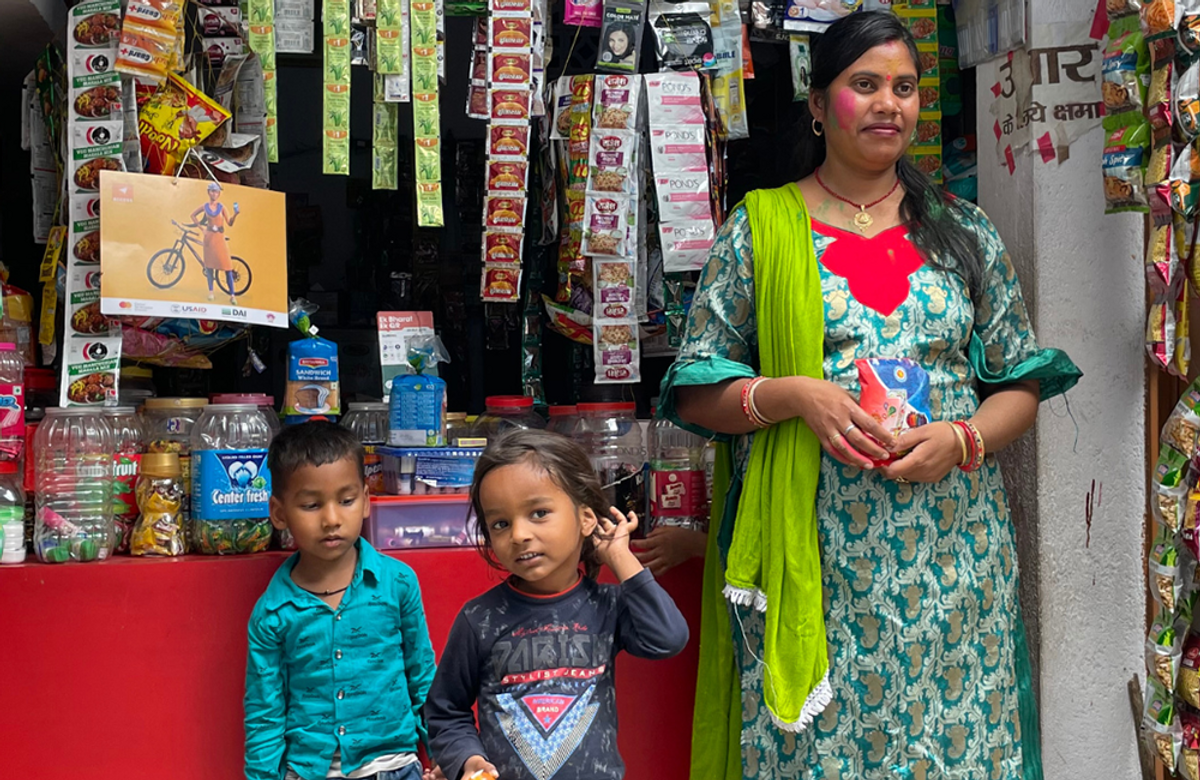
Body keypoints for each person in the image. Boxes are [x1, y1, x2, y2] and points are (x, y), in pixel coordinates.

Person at [659, 12, 1081, 780]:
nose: (891, 103)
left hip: (952, 557)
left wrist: (963, 440)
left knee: (953, 744)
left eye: (906, 87)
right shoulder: (761, 231)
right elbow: (694, 389)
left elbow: (1020, 379)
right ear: (818, 104)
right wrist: (791, 395)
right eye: (865, 85)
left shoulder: (963, 231)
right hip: (814, 558)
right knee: (820, 755)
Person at [425, 429, 690, 780]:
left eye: (538, 513)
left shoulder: (607, 606)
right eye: (501, 523)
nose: (519, 534)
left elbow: (668, 638)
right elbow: (445, 711)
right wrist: (467, 759)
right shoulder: (480, 619)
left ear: (585, 518)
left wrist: (620, 557)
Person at [244, 422, 437, 780]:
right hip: (309, 771)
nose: (332, 519)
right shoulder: (272, 613)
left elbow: (422, 675)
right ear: (279, 513)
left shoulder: (397, 583)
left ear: (365, 500)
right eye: (311, 505)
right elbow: (264, 712)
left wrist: (444, 752)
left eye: (346, 501)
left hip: (393, 766)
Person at [190, 181, 240, 305]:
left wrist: (235, 215)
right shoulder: (205, 206)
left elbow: (230, 223)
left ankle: (232, 294)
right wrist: (202, 229)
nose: (214, 194)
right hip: (209, 238)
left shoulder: (222, 207)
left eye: (216, 191)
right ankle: (211, 291)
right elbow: (193, 215)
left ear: (219, 194)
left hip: (220, 238)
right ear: (208, 192)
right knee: (209, 267)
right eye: (212, 191)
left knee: (228, 267)